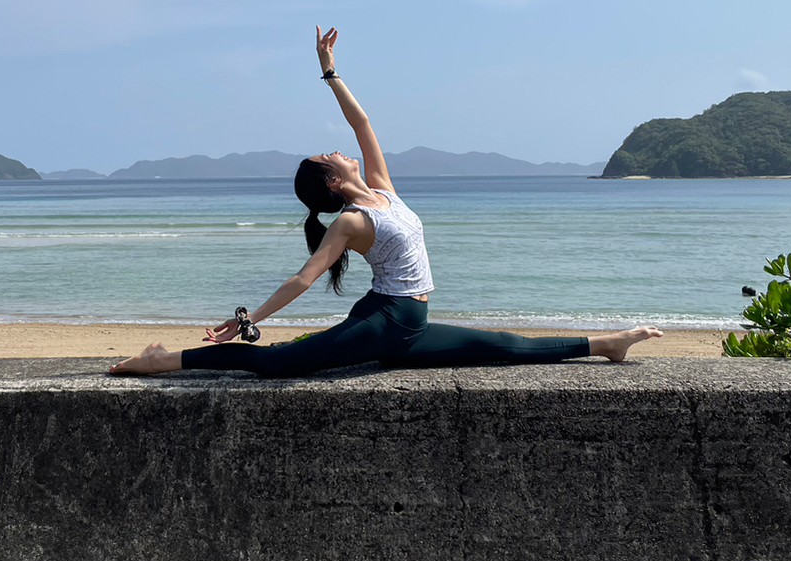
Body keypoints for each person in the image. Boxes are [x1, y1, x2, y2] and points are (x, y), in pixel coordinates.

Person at [109, 27, 662, 377]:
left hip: (400, 319)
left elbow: (364, 121)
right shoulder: (351, 220)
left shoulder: (382, 190)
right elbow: (305, 278)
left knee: (502, 344)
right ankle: (165, 360)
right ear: (330, 183)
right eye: (330, 155)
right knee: (275, 364)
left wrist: (329, 73)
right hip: (393, 318)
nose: (340, 150)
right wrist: (248, 318)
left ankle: (607, 344)